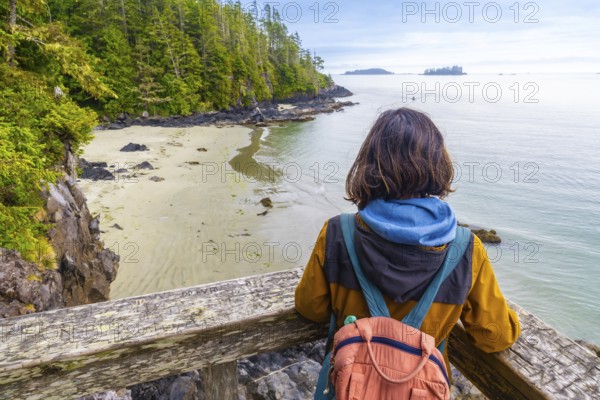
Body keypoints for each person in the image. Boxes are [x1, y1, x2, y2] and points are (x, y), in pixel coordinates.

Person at [295, 107, 520, 369]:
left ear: (369, 164)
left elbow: (310, 308)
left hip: (352, 386)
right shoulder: (466, 249)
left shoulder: (336, 233)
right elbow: (495, 337)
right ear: (436, 163)